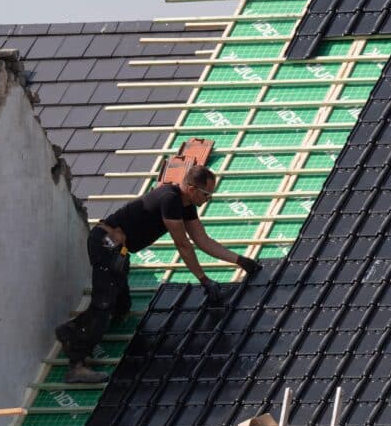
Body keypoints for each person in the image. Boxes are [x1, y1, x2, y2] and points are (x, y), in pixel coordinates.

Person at [56, 164, 261, 383]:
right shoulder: (170, 200)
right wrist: (204, 280)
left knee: (121, 307)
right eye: (206, 194)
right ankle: (76, 363)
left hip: (119, 251)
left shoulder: (187, 204)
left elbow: (202, 240)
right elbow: (183, 244)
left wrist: (240, 261)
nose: (208, 199)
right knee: (103, 303)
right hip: (106, 244)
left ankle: (71, 330)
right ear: (192, 189)